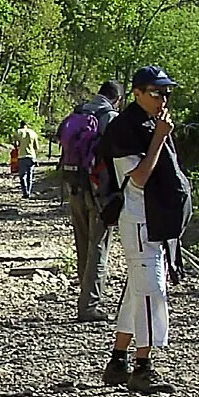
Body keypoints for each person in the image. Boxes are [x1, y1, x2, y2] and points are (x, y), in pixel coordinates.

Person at [96, 66, 191, 394]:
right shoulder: (126, 128)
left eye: (167, 92)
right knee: (152, 289)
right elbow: (137, 178)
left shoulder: (153, 122)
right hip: (139, 218)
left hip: (157, 219)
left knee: (138, 288)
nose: (163, 99)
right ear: (136, 93)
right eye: (156, 93)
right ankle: (144, 366)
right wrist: (160, 137)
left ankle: (118, 360)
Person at [54, 81, 121, 319]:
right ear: (117, 99)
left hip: (73, 185)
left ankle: (85, 296)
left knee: (82, 244)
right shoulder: (109, 116)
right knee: (99, 246)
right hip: (98, 190)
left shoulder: (79, 111)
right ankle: (89, 306)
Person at [11, 119, 41, 198]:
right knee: (29, 175)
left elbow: (16, 144)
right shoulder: (33, 133)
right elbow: (36, 147)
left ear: (20, 125)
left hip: (22, 156)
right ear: (27, 125)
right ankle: (29, 191)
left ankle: (25, 192)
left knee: (22, 175)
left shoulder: (18, 132)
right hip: (32, 156)